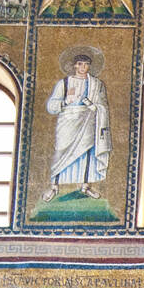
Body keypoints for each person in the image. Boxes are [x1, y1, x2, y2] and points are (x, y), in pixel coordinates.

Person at [43, 53, 111, 202]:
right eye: (80, 64)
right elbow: (52, 106)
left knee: (86, 152)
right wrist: (65, 102)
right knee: (60, 151)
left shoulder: (96, 84)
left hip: (87, 120)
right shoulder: (64, 83)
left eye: (86, 64)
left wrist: (95, 107)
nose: (83, 67)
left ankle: (85, 186)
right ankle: (54, 186)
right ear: (75, 65)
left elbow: (103, 105)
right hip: (68, 120)